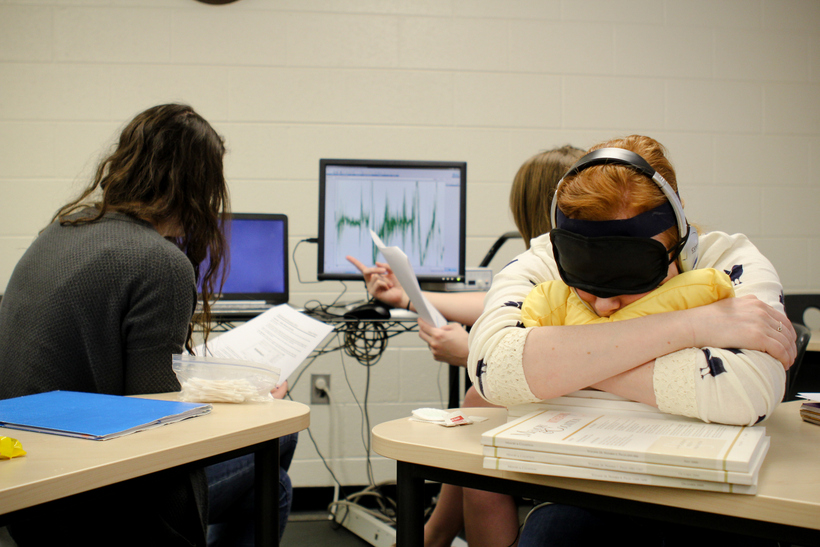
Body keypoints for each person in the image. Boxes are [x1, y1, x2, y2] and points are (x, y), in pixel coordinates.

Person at [466, 135, 796, 546]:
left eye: (628, 279)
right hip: (582, 496)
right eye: (587, 280)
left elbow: (748, 391)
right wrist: (692, 327)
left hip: (711, 500)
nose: (604, 306)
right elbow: (494, 370)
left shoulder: (730, 261)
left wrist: (563, 362)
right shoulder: (544, 259)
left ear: (677, 244)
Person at [0, 103, 293, 546]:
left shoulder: (62, 228)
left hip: (27, 489)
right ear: (197, 187)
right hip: (94, 501)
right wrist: (247, 398)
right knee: (278, 454)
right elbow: (159, 423)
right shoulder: (159, 262)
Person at [348, 145, 586, 547]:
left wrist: (472, 353)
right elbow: (499, 302)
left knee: (479, 404)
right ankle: (434, 534)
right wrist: (405, 297)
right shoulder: (573, 265)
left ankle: (436, 535)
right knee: (478, 403)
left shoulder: (571, 275)